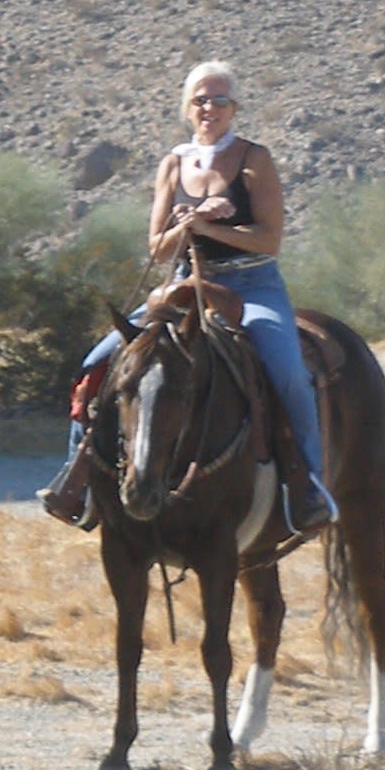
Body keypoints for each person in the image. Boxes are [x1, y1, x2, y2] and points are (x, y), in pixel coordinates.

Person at [42, 59, 337, 538]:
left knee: (287, 372)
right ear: (187, 107)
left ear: (234, 108)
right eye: (201, 99)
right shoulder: (173, 163)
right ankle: (81, 481)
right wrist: (188, 223)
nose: (210, 107)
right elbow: (157, 247)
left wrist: (208, 225)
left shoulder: (252, 159)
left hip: (252, 285)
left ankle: (309, 485)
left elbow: (269, 240)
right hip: (183, 286)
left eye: (220, 99)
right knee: (97, 366)